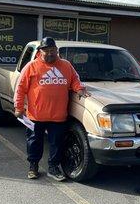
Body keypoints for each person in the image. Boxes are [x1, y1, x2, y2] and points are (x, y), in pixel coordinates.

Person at [14, 37, 90, 181]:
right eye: (46, 51)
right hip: (36, 115)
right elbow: (20, 88)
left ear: (57, 50)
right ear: (40, 51)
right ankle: (33, 166)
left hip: (58, 115)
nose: (50, 53)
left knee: (57, 143)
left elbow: (74, 80)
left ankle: (53, 168)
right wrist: (18, 107)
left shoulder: (66, 66)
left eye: (52, 50)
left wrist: (79, 89)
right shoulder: (31, 66)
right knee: (34, 142)